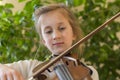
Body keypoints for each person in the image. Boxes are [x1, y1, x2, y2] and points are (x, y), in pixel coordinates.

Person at [0, 4, 99, 80]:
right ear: (43, 40)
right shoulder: (31, 68)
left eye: (61, 28)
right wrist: (3, 69)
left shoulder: (89, 72)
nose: (56, 36)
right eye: (48, 31)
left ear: (73, 34)